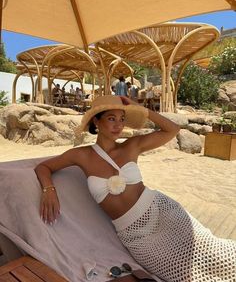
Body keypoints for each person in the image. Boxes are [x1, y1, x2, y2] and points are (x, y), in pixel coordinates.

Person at [34, 95, 236, 282]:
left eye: (122, 119)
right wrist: (49, 190)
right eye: (111, 119)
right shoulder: (81, 156)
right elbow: (43, 167)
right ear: (96, 121)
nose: (119, 125)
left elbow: (172, 130)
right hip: (134, 234)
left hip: (163, 212)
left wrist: (142, 109)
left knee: (219, 254)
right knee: (185, 275)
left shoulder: (131, 146)